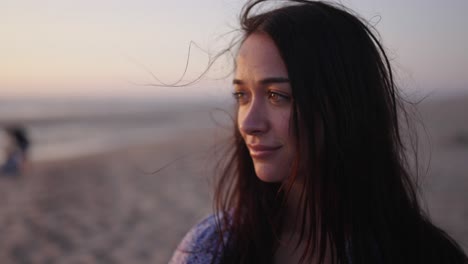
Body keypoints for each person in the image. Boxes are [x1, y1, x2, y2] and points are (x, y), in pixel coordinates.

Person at [170, 1, 468, 263]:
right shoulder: (210, 248)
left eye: (276, 95)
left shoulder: (423, 255)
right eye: (242, 96)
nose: (249, 123)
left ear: (344, 102)